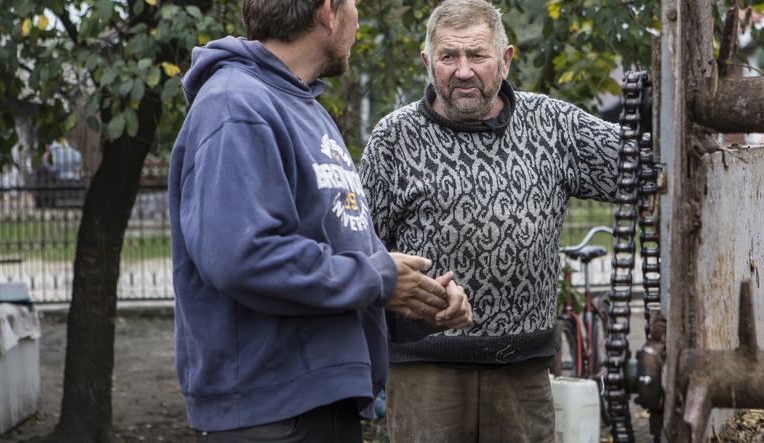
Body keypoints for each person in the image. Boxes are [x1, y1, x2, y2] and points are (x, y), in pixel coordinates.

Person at [167, 0, 473, 441]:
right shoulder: (235, 105)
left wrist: (418, 302)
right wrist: (379, 277)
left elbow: (342, 262)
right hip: (270, 414)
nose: (358, 19)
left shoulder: (306, 109)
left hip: (321, 403)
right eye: (353, 5)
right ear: (328, 11)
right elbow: (244, 257)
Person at [359, 1, 621, 441]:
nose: (463, 71)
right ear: (428, 62)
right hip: (425, 372)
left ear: (505, 58)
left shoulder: (553, 125)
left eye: (476, 55)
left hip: (522, 370)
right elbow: (361, 247)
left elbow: (640, 167)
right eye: (448, 57)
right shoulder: (393, 139)